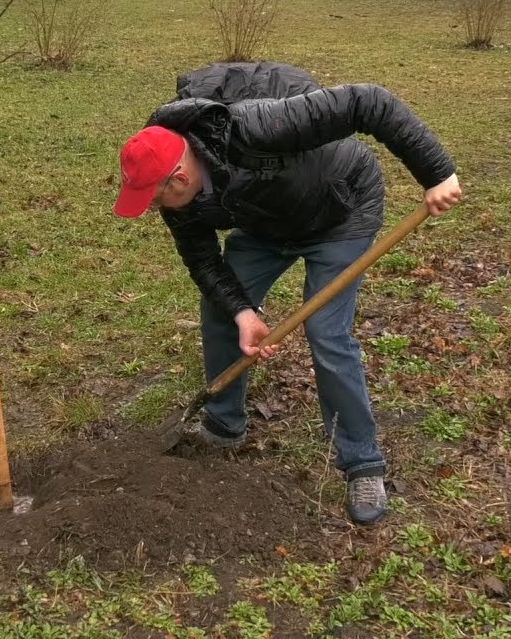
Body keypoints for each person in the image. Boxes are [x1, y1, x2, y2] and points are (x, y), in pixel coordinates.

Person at [112, 62, 461, 525]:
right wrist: (242, 312)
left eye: (155, 197)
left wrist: (436, 173)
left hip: (341, 210)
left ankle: (362, 463)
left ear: (178, 178)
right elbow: (204, 262)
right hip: (266, 224)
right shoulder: (179, 200)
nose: (155, 207)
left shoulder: (255, 127)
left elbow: (367, 101)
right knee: (221, 311)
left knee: (327, 331)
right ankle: (224, 422)